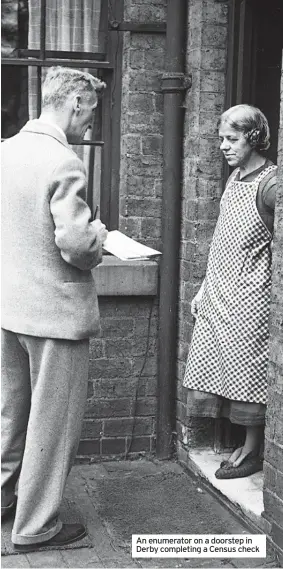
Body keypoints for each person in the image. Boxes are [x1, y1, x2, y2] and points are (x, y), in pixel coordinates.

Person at [1, 66, 108, 551]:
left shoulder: (5, 152)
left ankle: (4, 502)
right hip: (55, 314)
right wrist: (101, 235)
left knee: (10, 412)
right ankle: (36, 526)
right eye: (91, 113)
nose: (91, 126)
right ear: (76, 103)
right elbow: (78, 246)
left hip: (8, 307)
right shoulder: (63, 162)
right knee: (53, 423)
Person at [183, 104, 277, 479]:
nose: (223, 146)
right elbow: (223, 241)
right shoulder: (235, 176)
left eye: (232, 139)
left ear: (253, 138)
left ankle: (252, 450)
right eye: (221, 138)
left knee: (248, 372)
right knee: (215, 364)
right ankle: (240, 444)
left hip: (251, 296)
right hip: (219, 289)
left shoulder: (271, 184)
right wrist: (204, 287)